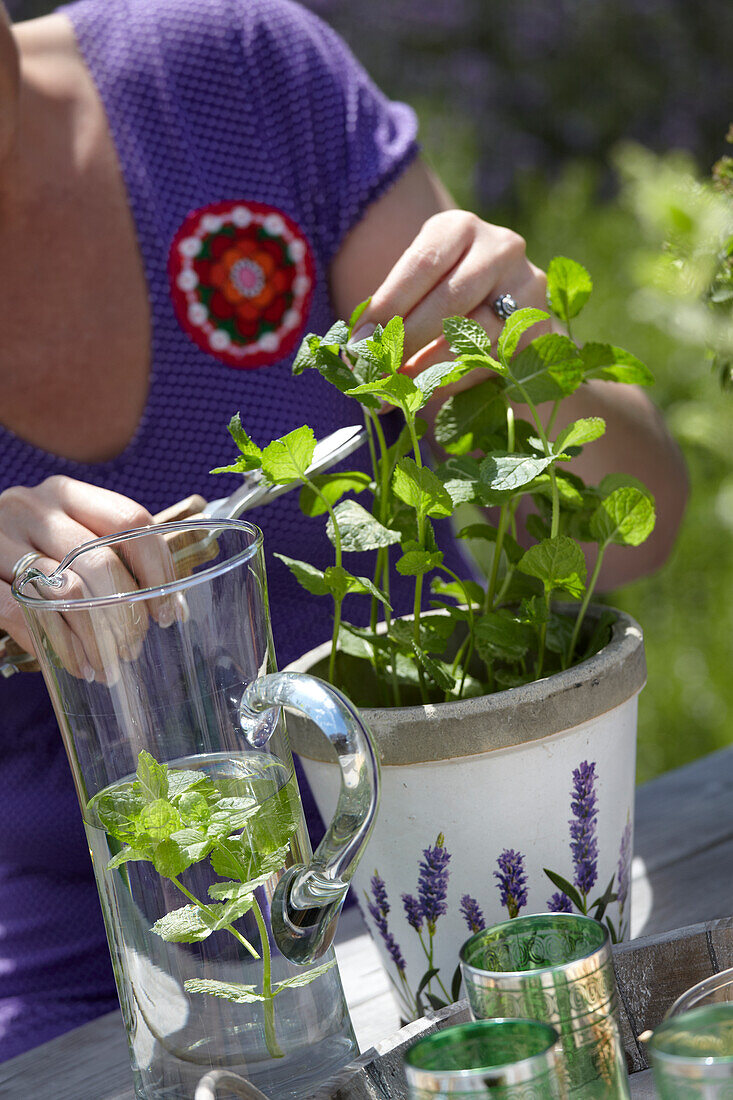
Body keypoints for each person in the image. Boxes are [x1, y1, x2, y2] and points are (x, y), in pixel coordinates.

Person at [0, 0, 686, 1061]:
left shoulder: (228, 72)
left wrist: (522, 351)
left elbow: (637, 526)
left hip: (461, 866)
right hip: (93, 985)